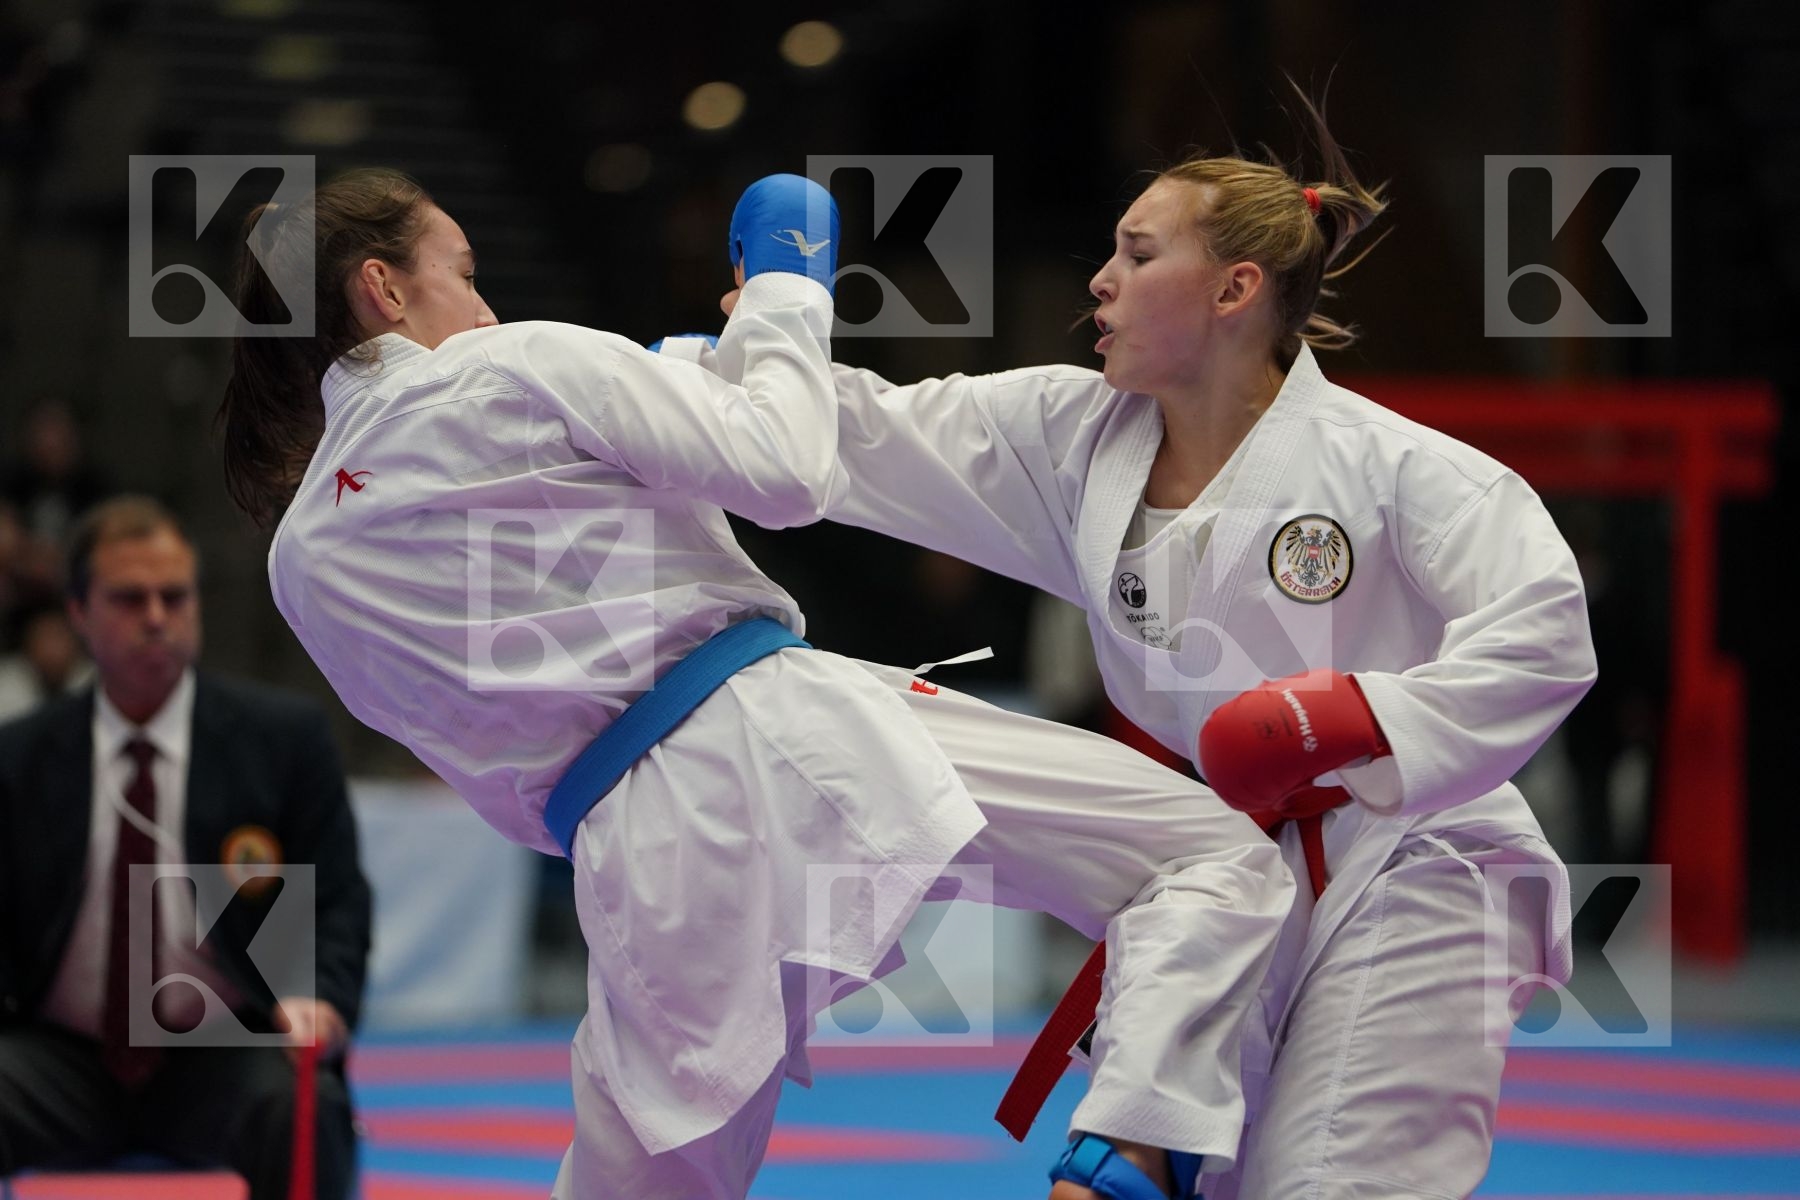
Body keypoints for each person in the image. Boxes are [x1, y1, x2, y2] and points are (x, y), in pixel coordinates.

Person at [216, 166, 1295, 1200]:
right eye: (463, 271)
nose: (485, 302)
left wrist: (697, 368)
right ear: (383, 287)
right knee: (1206, 860)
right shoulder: (510, 364)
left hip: (627, 855)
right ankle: (1124, 1163)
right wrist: (786, 288)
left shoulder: (303, 561)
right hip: (780, 731)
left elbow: (487, 762)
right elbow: (784, 469)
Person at [684, 100, 1597, 1198]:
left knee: (1333, 1182)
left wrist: (1353, 719)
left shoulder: (1390, 466)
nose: (1099, 281)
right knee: (1194, 1180)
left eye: (1138, 252)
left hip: (1419, 859)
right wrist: (688, 377)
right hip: (1228, 868)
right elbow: (869, 432)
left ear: (1233, 291)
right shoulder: (1074, 440)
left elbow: (1545, 621)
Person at [0, 496, 373, 1200]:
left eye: (174, 596)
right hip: (61, 1059)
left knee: (303, 1101)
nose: (156, 617)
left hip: (221, 1052)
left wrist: (319, 999)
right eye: (128, 598)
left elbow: (337, 901)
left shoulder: (278, 743)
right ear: (79, 614)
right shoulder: (20, 760)